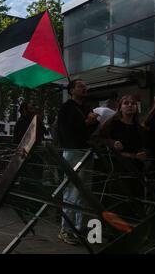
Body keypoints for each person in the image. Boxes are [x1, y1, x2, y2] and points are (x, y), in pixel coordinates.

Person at [91, 95, 147, 219]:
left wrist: (144, 152)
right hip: (118, 168)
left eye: (133, 103)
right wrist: (112, 143)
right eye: (126, 103)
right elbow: (96, 139)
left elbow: (145, 145)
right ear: (120, 108)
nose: (130, 105)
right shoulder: (112, 123)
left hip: (136, 169)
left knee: (136, 199)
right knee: (119, 201)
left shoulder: (139, 127)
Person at [57, 79, 98, 245]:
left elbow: (89, 131)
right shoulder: (66, 108)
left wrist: (92, 124)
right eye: (80, 86)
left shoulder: (87, 108)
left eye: (85, 85)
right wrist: (86, 123)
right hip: (74, 152)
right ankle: (66, 230)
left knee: (85, 191)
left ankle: (80, 228)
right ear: (71, 90)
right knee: (72, 192)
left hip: (87, 152)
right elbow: (66, 132)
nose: (84, 88)